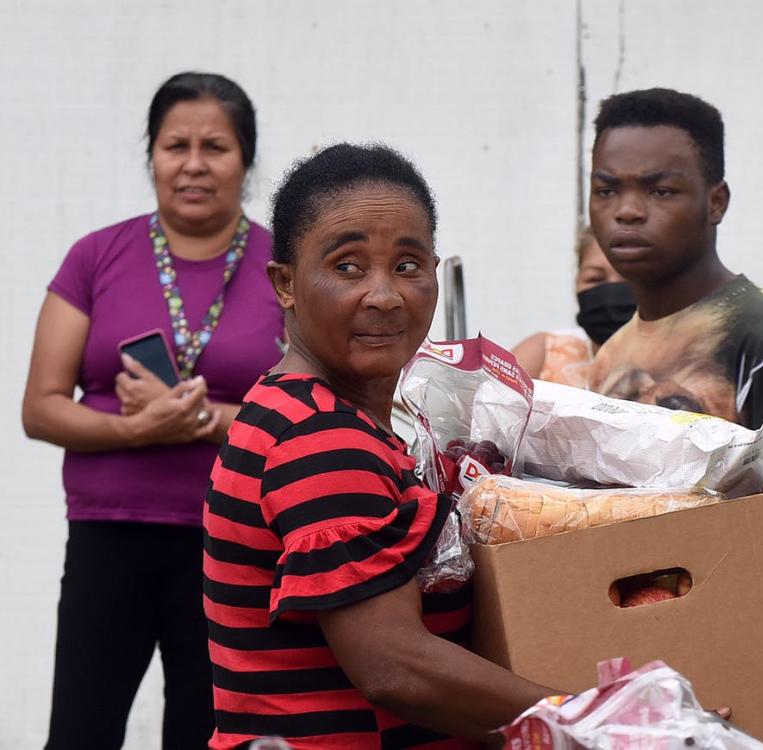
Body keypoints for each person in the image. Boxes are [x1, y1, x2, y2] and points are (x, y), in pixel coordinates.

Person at [202, 143, 558, 749]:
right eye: (347, 267)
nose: (386, 295)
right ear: (285, 283)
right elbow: (396, 669)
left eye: (408, 265)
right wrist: (597, 722)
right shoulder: (321, 439)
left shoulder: (295, 405)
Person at [21, 72, 284, 749]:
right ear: (152, 156)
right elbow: (41, 408)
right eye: (175, 145)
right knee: (80, 732)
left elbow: (307, 408)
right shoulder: (95, 256)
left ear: (246, 161)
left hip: (233, 545)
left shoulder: (281, 268)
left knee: (207, 736)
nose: (193, 164)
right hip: (109, 538)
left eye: (215, 147)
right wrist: (136, 428)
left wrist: (205, 420)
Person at [586, 87, 763, 430]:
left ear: (716, 202)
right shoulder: (610, 357)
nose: (627, 211)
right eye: (606, 191)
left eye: (660, 191)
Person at [512, 223, 633, 387]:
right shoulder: (544, 352)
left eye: (629, 277)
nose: (611, 291)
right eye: (595, 279)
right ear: (576, 283)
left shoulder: (677, 364)